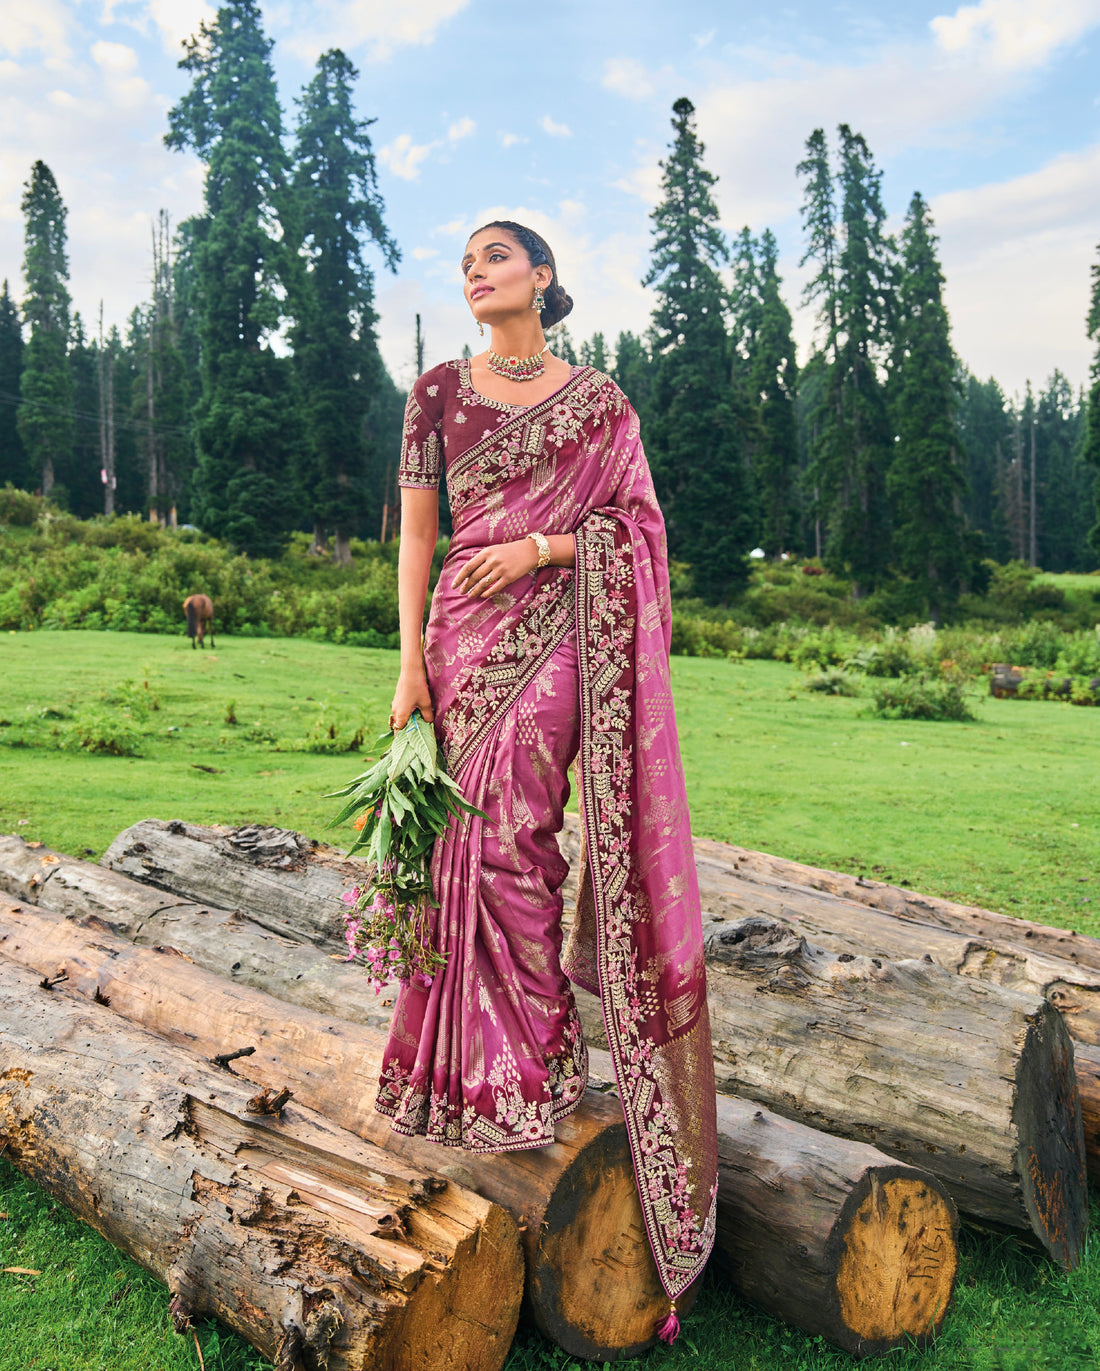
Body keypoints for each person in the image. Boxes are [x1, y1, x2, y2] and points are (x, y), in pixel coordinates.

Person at [379, 219, 717, 1330]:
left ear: (542, 278)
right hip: (460, 647)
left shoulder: (601, 404)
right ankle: (451, 1075)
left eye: (494, 257)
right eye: (465, 261)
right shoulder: (435, 392)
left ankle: (530, 1071)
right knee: (455, 837)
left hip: (559, 642)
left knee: (522, 838)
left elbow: (640, 533)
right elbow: (416, 539)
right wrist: (407, 666)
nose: (474, 273)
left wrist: (542, 550)